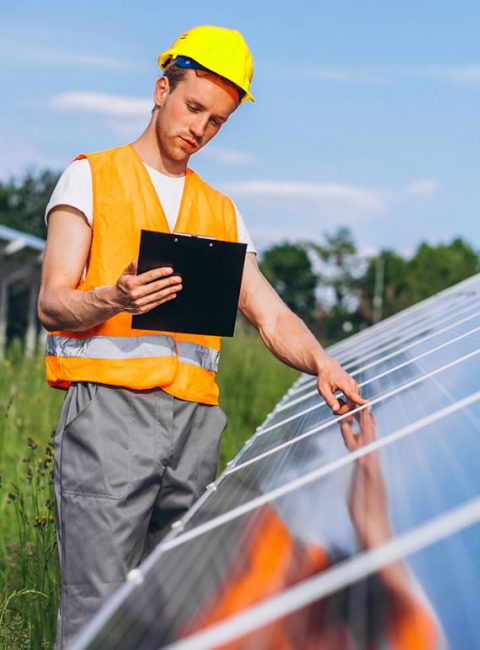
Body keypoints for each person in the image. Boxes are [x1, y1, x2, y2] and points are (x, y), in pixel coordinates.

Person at [38, 25, 366, 648]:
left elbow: (270, 316)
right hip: (110, 421)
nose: (201, 129)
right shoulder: (90, 179)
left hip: (194, 430)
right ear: (161, 89)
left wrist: (321, 361)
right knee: (98, 612)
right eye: (194, 108)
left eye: (218, 121)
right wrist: (115, 295)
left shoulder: (221, 212)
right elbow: (52, 302)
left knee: (180, 613)